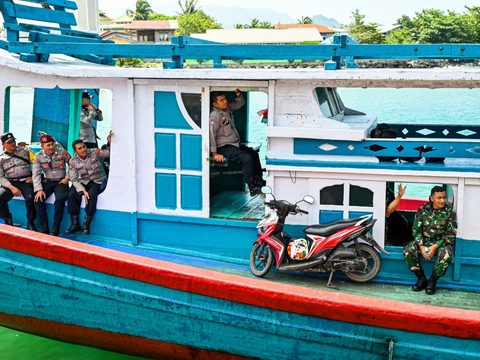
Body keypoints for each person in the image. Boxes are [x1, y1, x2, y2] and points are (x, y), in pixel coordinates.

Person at [403, 186, 457, 295]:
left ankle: (432, 281)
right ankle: (421, 278)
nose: (442, 200)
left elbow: (450, 234)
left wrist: (435, 246)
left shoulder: (449, 212)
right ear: (431, 198)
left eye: (444, 197)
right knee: (408, 251)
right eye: (439, 198)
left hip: (440, 243)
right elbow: (416, 230)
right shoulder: (423, 209)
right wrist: (422, 246)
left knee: (446, 255)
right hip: (424, 241)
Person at [209, 90, 264, 196]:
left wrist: (237, 93)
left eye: (225, 98)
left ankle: (260, 181)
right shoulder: (214, 116)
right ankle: (252, 187)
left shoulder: (227, 110)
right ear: (215, 104)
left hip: (234, 145)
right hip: (223, 146)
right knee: (246, 158)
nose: (225, 101)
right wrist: (214, 153)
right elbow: (211, 135)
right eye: (222, 100)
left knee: (253, 154)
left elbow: (240, 103)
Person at [65, 131, 112, 235]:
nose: (83, 149)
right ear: (75, 151)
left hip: (98, 179)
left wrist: (109, 143)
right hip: (84, 180)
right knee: (72, 194)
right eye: (80, 148)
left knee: (92, 194)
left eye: (84, 147)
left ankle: (87, 224)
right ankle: (74, 224)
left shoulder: (95, 152)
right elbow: (74, 179)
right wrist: (82, 190)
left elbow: (109, 153)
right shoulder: (73, 161)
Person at [32, 134, 71, 236]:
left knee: (60, 198)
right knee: (38, 199)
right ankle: (44, 226)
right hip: (48, 181)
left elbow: (73, 166)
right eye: (48, 145)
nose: (51, 147)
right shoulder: (38, 156)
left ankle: (56, 227)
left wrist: (67, 178)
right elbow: (35, 174)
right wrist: (39, 189)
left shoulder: (63, 152)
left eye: (52, 144)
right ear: (42, 146)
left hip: (61, 181)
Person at [0, 132, 36, 230]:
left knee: (31, 198)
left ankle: (30, 223)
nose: (12, 143)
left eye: (13, 141)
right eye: (9, 142)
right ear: (3, 144)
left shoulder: (25, 151)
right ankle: (8, 221)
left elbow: (37, 163)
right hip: (11, 182)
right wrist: (12, 187)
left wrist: (33, 176)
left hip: (26, 181)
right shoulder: (1, 158)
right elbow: (0, 177)